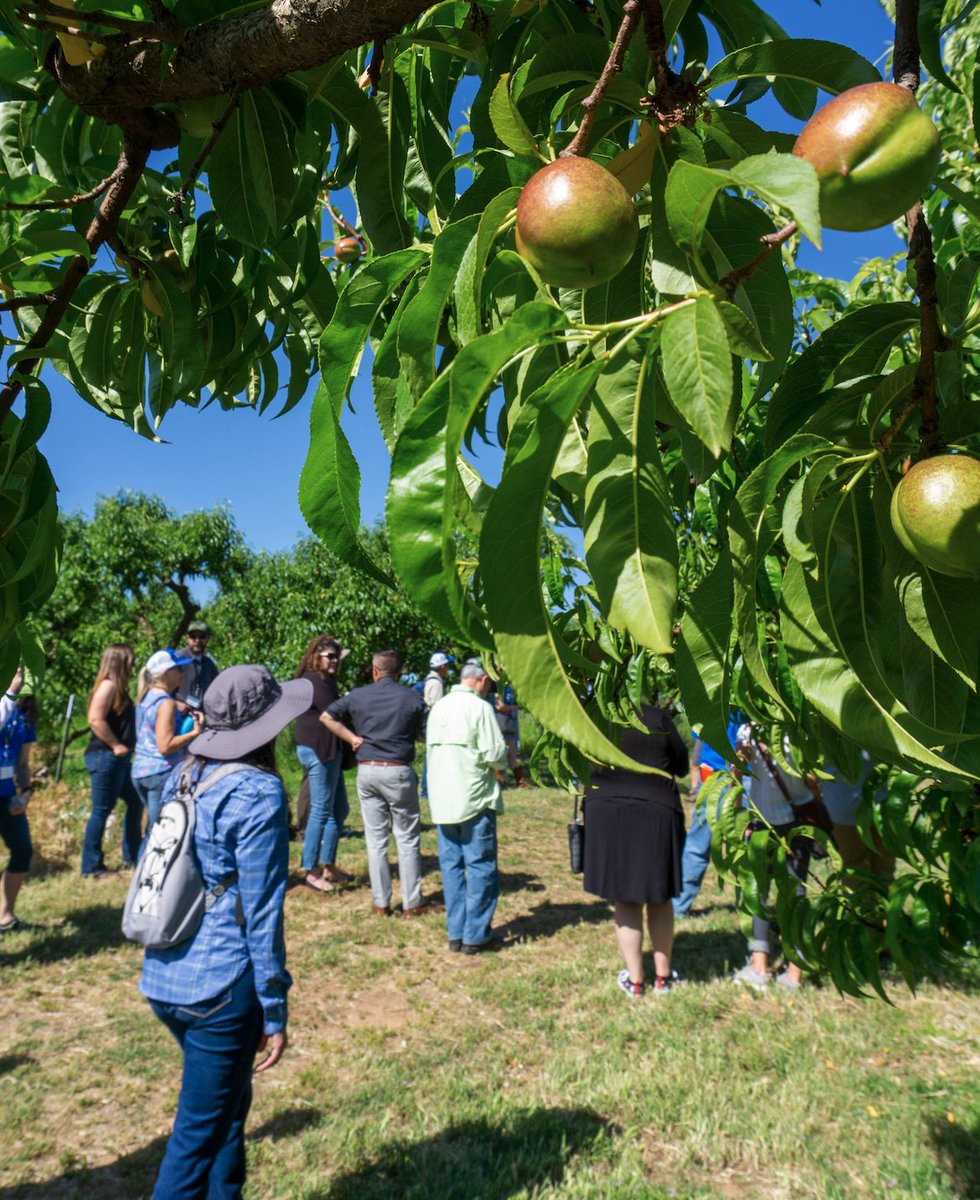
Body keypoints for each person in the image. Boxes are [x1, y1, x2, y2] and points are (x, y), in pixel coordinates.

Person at [141, 664, 312, 1200]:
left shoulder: (182, 774)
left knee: (227, 1112)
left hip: (166, 974)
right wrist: (274, 1007)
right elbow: (262, 915)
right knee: (194, 1141)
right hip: (220, 988)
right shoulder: (259, 793)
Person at [584, 702, 690, 998]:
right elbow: (681, 764)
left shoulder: (596, 713)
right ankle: (663, 977)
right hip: (655, 810)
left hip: (607, 809)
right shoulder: (656, 716)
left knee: (626, 897)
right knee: (659, 895)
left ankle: (636, 980)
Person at [321, 649, 438, 917]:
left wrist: (351, 738)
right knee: (407, 840)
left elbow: (326, 717)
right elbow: (425, 733)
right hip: (398, 771)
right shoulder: (411, 697)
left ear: (374, 671)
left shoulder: (358, 696)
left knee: (376, 841)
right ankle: (411, 903)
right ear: (399, 673)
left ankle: (380, 903)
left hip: (368, 771)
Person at [730, 723, 821, 992]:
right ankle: (794, 973)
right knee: (794, 895)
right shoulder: (799, 727)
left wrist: (737, 815)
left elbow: (736, 776)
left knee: (758, 893)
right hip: (797, 821)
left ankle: (760, 968)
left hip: (764, 823)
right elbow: (813, 778)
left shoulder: (749, 730)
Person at [426, 661, 509, 953]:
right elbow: (495, 754)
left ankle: (456, 932)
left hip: (443, 801)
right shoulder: (480, 708)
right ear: (483, 680)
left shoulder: (439, 708)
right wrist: (507, 758)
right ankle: (476, 935)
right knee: (481, 867)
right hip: (473, 800)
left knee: (451, 868)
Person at [293, 635, 351, 893]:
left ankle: (328, 864)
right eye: (330, 656)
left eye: (337, 656)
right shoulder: (314, 681)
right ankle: (311, 870)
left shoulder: (327, 681)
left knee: (338, 809)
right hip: (319, 750)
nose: (335, 660)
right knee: (320, 810)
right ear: (316, 657)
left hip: (328, 751)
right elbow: (336, 713)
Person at [82, 643, 142, 878]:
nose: (134, 663)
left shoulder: (119, 688)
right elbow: (95, 720)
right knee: (101, 810)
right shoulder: (107, 686)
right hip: (105, 757)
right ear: (119, 661)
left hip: (117, 759)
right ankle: (91, 867)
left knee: (135, 802)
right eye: (130, 659)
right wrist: (116, 745)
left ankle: (133, 855)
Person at [131, 649, 202, 845]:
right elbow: (165, 746)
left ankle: (143, 870)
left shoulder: (145, 698)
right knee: (157, 832)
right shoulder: (166, 703)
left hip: (141, 771)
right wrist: (194, 733)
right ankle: (146, 873)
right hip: (160, 772)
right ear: (166, 673)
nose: (183, 673)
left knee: (152, 828)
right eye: (178, 668)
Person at [0, 692, 36, 933]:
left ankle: (5, 914)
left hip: (7, 794)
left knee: (23, 850)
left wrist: (26, 792)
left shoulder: (24, 714)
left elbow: (22, 762)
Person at [419, 651, 453, 800]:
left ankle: (427, 789)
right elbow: (435, 707)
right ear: (443, 666)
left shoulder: (431, 679)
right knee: (432, 756)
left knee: (431, 755)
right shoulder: (436, 683)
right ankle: (426, 790)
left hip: (428, 724)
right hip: (433, 725)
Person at [177, 619, 219, 711]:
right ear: (187, 638)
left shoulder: (209, 664)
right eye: (193, 636)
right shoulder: (178, 659)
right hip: (178, 716)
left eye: (202, 636)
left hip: (199, 717)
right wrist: (176, 704)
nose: (197, 640)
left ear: (208, 639)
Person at [493, 680, 530, 787]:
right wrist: (515, 707)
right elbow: (499, 706)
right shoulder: (497, 686)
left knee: (511, 755)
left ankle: (520, 781)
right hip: (500, 724)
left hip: (510, 724)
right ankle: (499, 780)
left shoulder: (512, 686)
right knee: (500, 754)